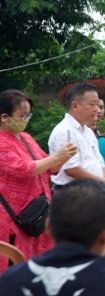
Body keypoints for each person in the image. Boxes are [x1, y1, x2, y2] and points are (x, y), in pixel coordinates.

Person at [0, 90, 77, 271]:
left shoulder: (25, 138)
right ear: (4, 117)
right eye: (21, 115)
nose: (25, 119)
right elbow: (24, 169)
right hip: (13, 217)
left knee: (37, 264)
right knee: (14, 264)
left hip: (37, 212)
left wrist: (63, 158)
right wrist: (56, 157)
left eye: (28, 115)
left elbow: (48, 168)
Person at [48, 82, 105, 193]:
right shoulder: (64, 131)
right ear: (75, 106)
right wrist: (104, 182)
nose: (97, 110)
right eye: (93, 104)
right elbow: (71, 169)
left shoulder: (88, 131)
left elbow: (99, 163)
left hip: (94, 193)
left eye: (98, 105)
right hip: (73, 195)